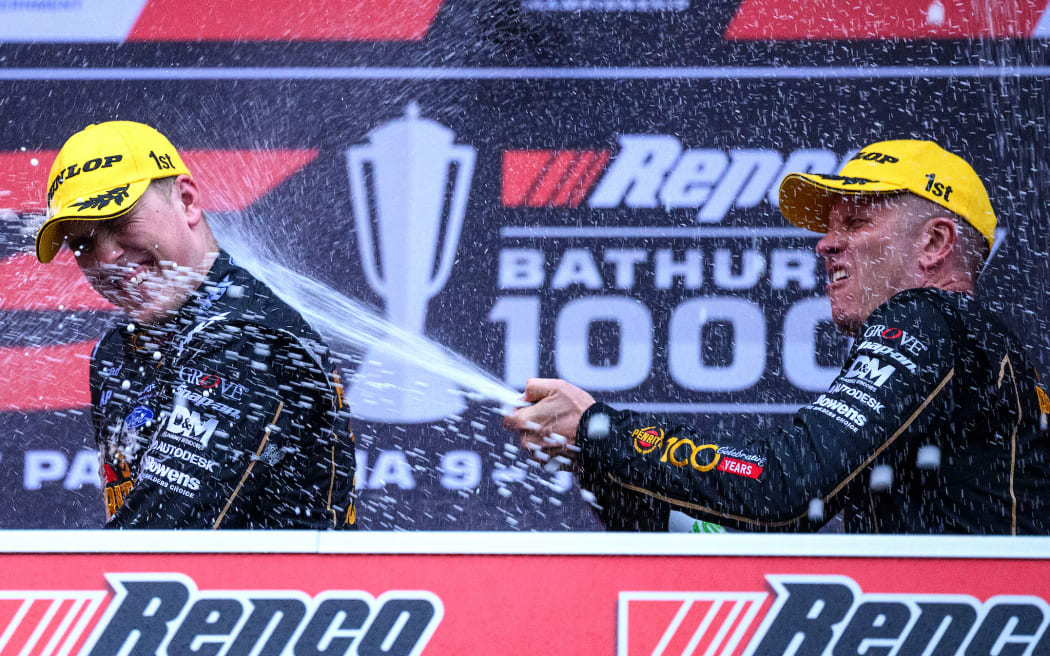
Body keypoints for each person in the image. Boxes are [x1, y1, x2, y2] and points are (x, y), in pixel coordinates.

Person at [505, 139, 1050, 534]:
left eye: (855, 224)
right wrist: (606, 465)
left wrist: (604, 431)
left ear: (934, 242)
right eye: (828, 227)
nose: (825, 245)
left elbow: (781, 490)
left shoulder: (933, 318)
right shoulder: (968, 349)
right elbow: (731, 542)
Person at [35, 120, 357, 529]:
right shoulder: (115, 351)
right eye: (82, 243)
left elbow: (161, 538)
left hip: (280, 593)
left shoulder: (249, 339)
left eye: (118, 222)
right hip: (186, 592)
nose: (105, 257)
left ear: (187, 200)